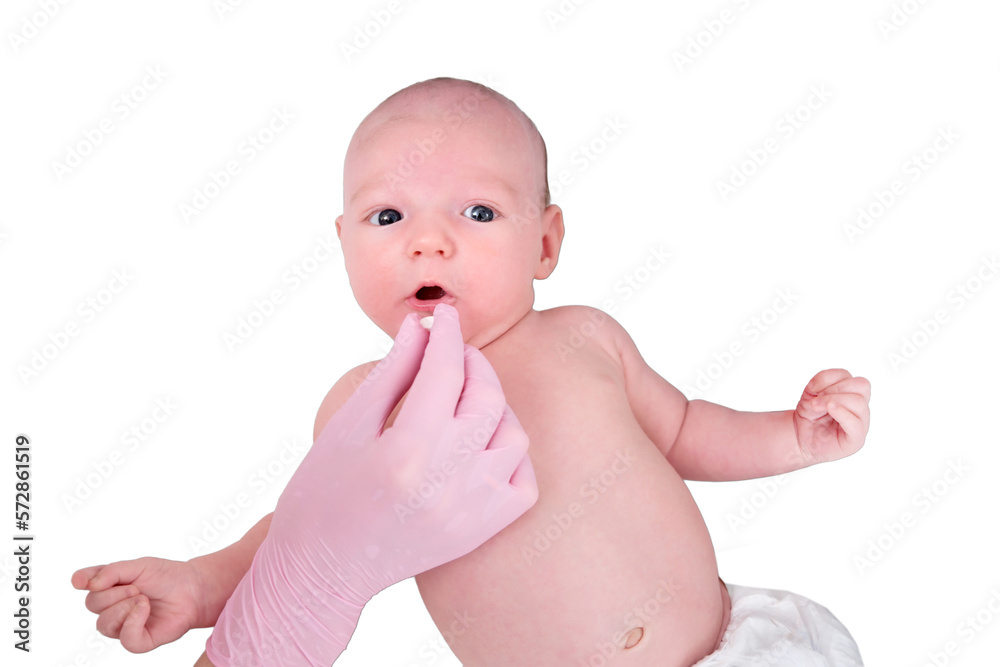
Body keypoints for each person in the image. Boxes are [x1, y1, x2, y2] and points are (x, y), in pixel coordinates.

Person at [75, 77, 871, 665]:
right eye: (388, 215)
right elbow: (305, 537)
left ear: (546, 244)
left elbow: (688, 429)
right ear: (344, 245)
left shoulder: (585, 339)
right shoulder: (365, 405)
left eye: (479, 212)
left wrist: (792, 437)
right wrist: (205, 583)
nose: (428, 241)